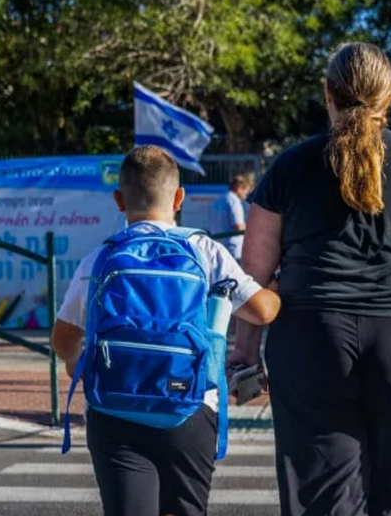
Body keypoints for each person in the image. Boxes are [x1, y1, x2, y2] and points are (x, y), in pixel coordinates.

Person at [230, 42, 391, 516]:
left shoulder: (288, 167)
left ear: (327, 92)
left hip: (311, 337)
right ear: (390, 97)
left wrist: (246, 350)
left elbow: (255, 272)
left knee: (321, 493)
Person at [51, 146, 280, 516]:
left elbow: (62, 340)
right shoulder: (204, 250)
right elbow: (263, 311)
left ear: (118, 200)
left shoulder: (99, 259)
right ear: (178, 198)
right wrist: (281, 286)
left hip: (114, 408)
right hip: (189, 410)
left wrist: (75, 361)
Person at [210, 171, 255, 260]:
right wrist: (253, 228)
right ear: (239, 188)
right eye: (245, 191)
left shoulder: (218, 200)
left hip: (217, 246)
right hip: (232, 249)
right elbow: (238, 226)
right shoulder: (234, 201)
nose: (246, 195)